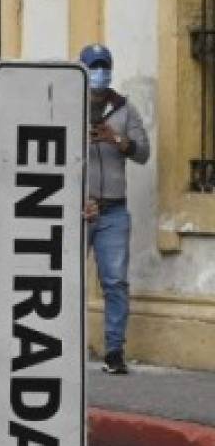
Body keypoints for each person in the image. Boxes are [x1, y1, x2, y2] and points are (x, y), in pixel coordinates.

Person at [80, 43, 150, 375]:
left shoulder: (124, 109)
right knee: (64, 279)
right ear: (82, 69)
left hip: (113, 212)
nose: (100, 72)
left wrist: (116, 139)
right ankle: (59, 344)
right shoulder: (69, 105)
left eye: (104, 66)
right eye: (93, 66)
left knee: (115, 282)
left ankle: (114, 352)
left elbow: (142, 152)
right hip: (78, 209)